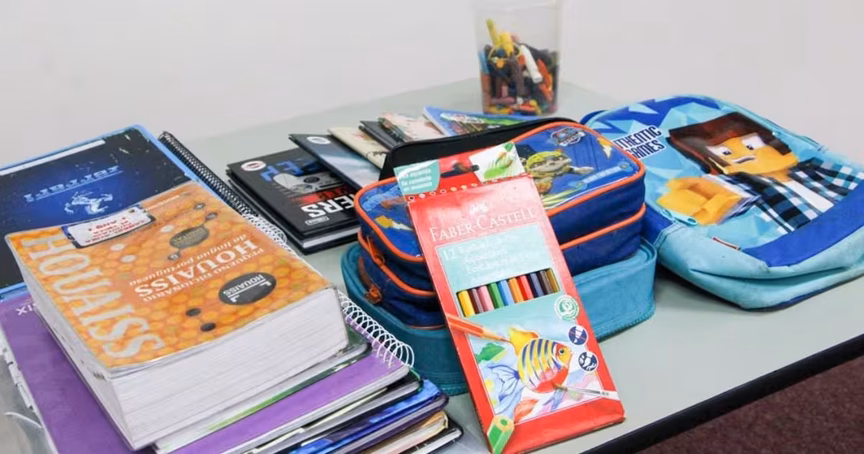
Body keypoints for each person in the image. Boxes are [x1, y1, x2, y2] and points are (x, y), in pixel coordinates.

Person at [658, 112, 864, 232]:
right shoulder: (738, 188)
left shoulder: (810, 167)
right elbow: (713, 210)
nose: (745, 155)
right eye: (725, 152)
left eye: (751, 145)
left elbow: (852, 178)